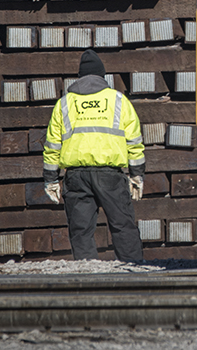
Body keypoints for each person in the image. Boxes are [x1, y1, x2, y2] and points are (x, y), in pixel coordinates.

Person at [42, 49, 146, 262]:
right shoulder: (118, 100)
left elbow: (52, 146)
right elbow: (134, 142)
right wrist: (136, 175)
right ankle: (133, 272)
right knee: (123, 226)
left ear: (79, 77)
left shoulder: (64, 104)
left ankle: (86, 276)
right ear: (102, 76)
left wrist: (51, 180)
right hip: (111, 176)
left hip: (76, 177)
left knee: (81, 231)